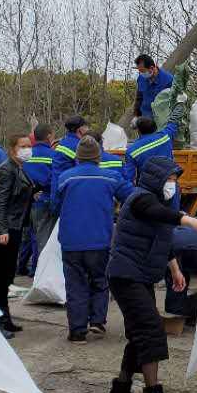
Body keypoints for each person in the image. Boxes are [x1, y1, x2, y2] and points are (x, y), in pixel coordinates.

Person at [107, 154, 197, 393]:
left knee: (139, 332)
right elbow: (158, 214)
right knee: (151, 328)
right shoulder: (140, 198)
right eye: (170, 179)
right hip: (126, 275)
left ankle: (121, 390)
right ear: (156, 179)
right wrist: (187, 219)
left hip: (138, 276)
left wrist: (175, 269)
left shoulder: (156, 201)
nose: (173, 184)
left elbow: (161, 239)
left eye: (175, 180)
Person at [52, 135, 134, 343]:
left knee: (75, 284)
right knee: (100, 280)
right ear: (98, 157)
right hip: (100, 240)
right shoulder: (110, 177)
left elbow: (54, 205)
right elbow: (132, 196)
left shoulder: (65, 178)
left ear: (77, 158)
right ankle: (97, 321)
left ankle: (78, 331)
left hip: (71, 241)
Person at [0, 134, 35, 338]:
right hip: (4, 228)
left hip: (13, 226)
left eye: (28, 145)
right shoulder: (6, 170)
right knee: (1, 275)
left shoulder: (17, 168)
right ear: (13, 149)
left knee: (7, 275)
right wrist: (2, 230)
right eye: (22, 146)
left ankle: (4, 316)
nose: (27, 149)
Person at [123, 94, 188, 181]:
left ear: (138, 130)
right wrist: (180, 103)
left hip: (147, 188)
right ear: (155, 128)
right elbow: (174, 119)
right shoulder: (165, 136)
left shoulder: (132, 151)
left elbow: (128, 178)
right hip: (168, 184)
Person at [23, 124, 59, 273]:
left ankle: (34, 270)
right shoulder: (53, 155)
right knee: (45, 239)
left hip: (29, 203)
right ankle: (42, 272)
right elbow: (55, 180)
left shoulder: (27, 156)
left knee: (34, 237)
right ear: (49, 136)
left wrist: (32, 192)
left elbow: (21, 178)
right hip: (47, 200)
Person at [131, 54, 173, 122]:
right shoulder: (141, 79)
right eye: (140, 71)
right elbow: (139, 98)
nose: (141, 74)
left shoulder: (168, 80)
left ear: (152, 68)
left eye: (143, 71)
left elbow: (172, 103)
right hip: (144, 119)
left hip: (160, 121)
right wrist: (136, 116)